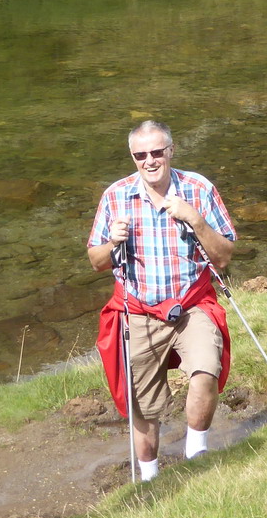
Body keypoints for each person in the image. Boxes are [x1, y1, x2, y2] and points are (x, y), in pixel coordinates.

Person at [88, 121, 236, 482]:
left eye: (157, 152)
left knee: (205, 371)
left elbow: (225, 256)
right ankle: (151, 479)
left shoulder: (198, 189)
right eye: (141, 155)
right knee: (143, 405)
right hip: (137, 311)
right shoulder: (116, 196)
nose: (150, 160)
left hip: (192, 305)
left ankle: (196, 455)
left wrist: (196, 220)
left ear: (171, 151)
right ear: (133, 157)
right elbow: (96, 260)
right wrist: (113, 243)